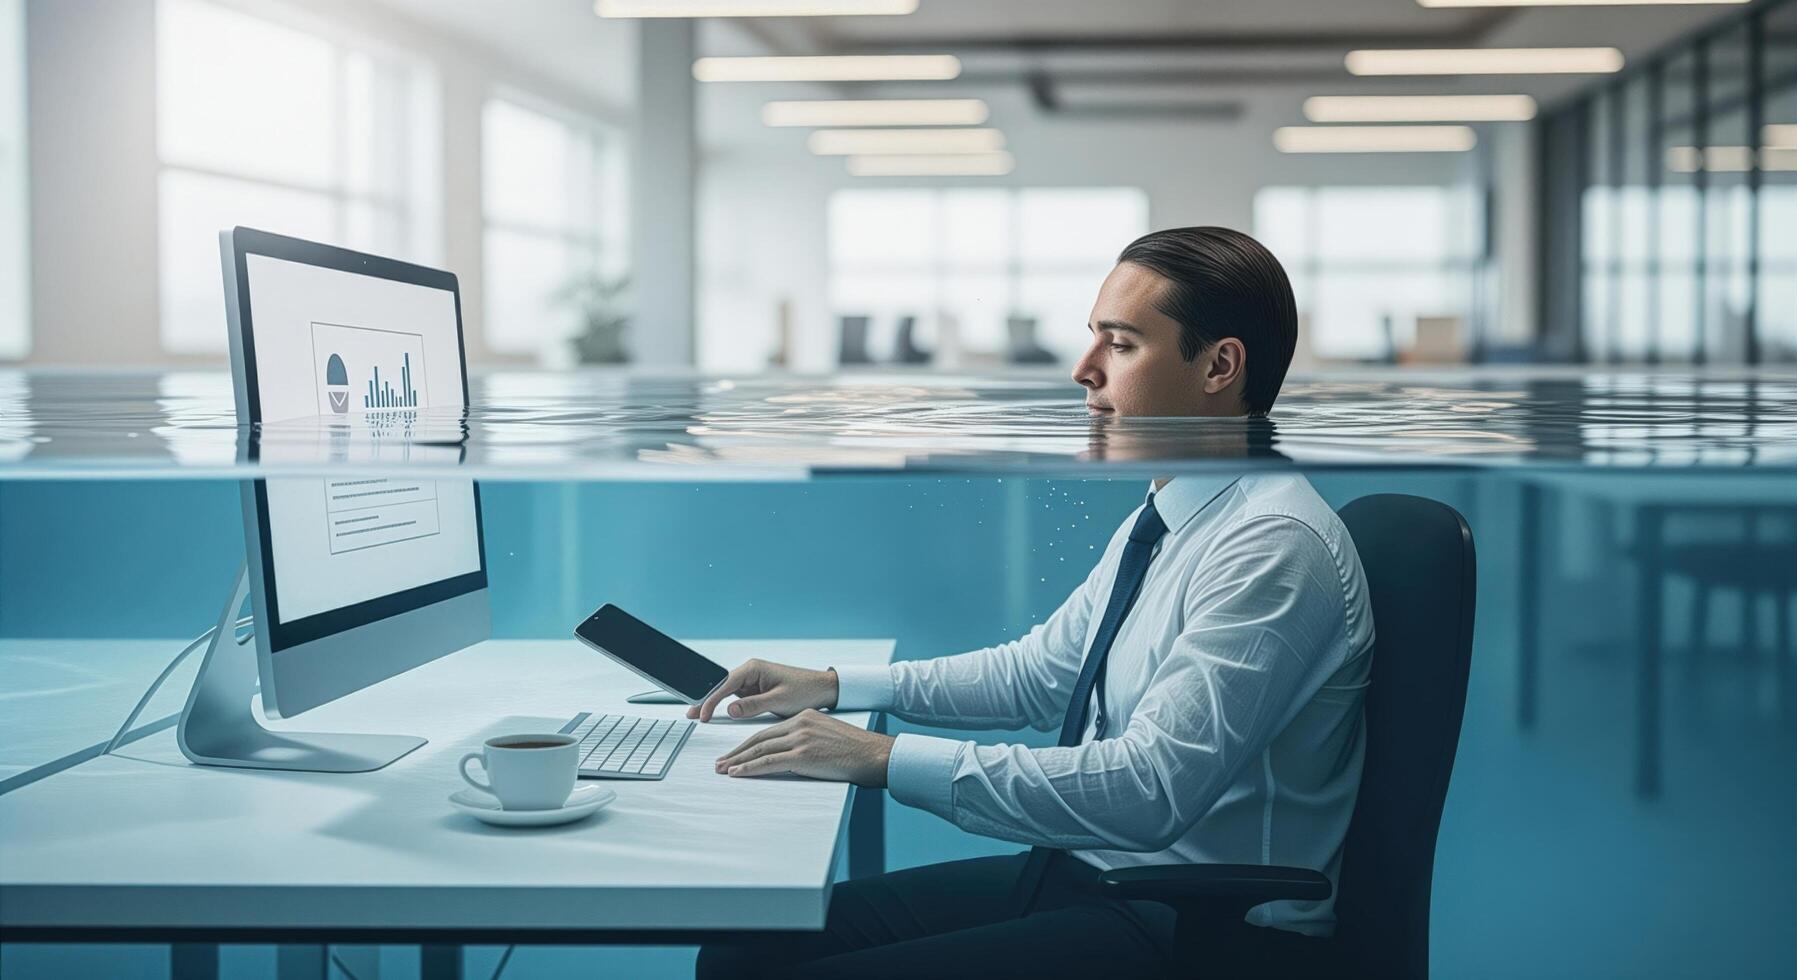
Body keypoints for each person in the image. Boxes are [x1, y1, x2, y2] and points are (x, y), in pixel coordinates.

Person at [692, 227, 1373, 980]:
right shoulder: (1175, 508)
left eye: (1119, 345)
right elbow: (1039, 673)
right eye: (1093, 340)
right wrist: (836, 686)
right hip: (1095, 875)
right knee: (742, 952)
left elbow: (1150, 791)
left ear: (1218, 365)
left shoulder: (1270, 544)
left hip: (1203, 925)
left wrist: (882, 758)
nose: (1083, 372)